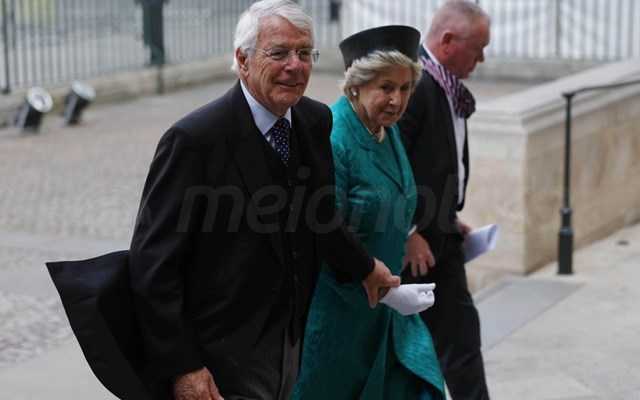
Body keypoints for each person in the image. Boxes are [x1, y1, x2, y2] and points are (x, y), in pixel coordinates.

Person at [129, 1, 400, 399]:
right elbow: (153, 266)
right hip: (219, 358)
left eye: (305, 53)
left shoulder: (314, 120)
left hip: (288, 346)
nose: (295, 65)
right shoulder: (194, 140)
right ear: (243, 60)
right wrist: (183, 366)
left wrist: (365, 268)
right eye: (279, 53)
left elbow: (320, 217)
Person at [292, 26, 445, 400]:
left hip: (385, 313)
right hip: (339, 318)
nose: (397, 100)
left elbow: (394, 197)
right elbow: (325, 233)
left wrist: (409, 235)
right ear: (356, 86)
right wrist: (386, 290)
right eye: (386, 87)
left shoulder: (386, 130)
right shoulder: (333, 136)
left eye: (405, 88)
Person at [399, 1, 492, 399]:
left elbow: (439, 162)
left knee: (461, 339)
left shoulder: (445, 84)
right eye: (478, 49)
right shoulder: (414, 84)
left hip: (441, 235)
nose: (481, 59)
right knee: (429, 349)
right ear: (449, 41)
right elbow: (394, 161)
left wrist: (448, 215)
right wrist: (408, 232)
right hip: (416, 248)